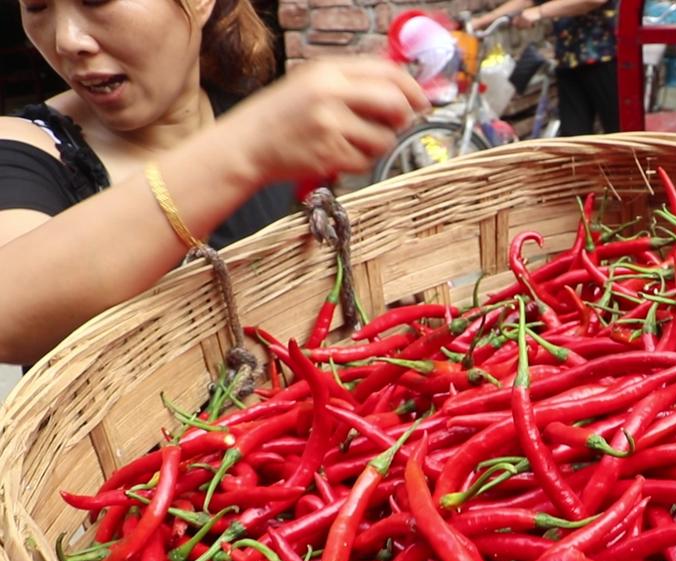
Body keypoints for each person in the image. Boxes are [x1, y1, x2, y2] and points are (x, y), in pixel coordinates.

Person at [0, 0, 428, 366]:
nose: (66, 40)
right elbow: (9, 310)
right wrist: (245, 149)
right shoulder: (24, 150)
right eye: (36, 6)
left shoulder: (259, 121)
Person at [475, 0, 619, 136]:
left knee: (618, 132)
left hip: (605, 60)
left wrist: (539, 11)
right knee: (572, 138)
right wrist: (481, 21)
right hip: (567, 62)